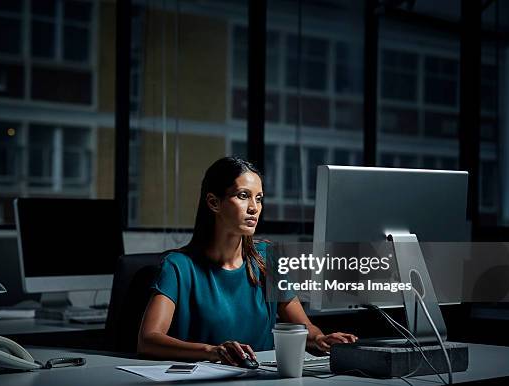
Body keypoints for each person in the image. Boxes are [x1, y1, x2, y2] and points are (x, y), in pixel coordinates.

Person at [138, 156, 357, 366]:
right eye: (243, 195)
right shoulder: (179, 266)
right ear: (214, 202)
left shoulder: (267, 258)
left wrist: (320, 339)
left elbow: (303, 327)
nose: (254, 208)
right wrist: (212, 351)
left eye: (259, 198)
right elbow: (148, 340)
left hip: (265, 381)